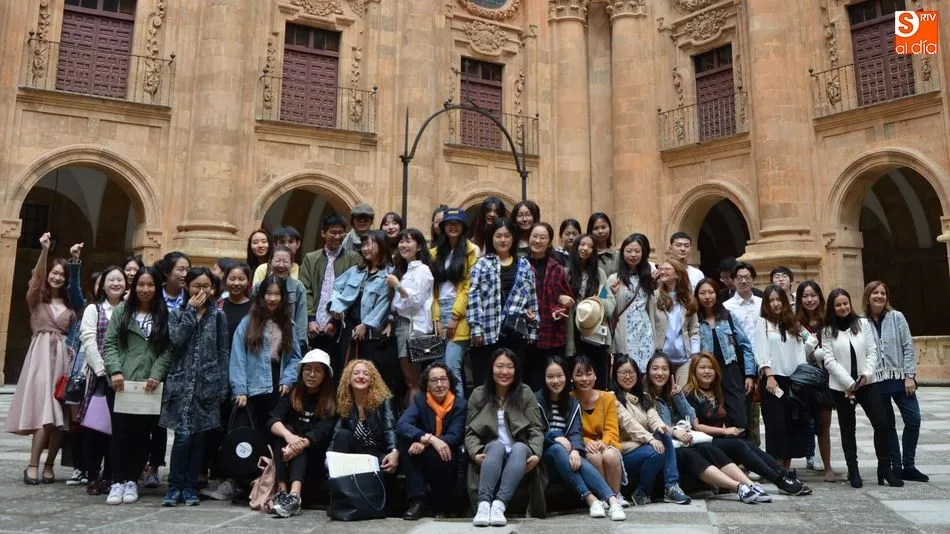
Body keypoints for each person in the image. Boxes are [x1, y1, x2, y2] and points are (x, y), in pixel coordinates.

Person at [6, 233, 79, 485]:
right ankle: (33, 464)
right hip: (40, 359)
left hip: (63, 359)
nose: (57, 276)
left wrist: (75, 262)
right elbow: (36, 280)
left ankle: (49, 465)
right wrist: (44, 252)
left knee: (61, 416)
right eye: (54, 272)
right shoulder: (37, 298)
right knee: (45, 413)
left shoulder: (71, 304)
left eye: (62, 274)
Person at [683, 354, 810, 496]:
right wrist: (725, 431)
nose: (707, 371)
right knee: (738, 445)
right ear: (694, 370)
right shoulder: (689, 394)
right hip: (703, 443)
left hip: (720, 440)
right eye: (702, 367)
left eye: (711, 368)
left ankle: (784, 475)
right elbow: (696, 426)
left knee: (747, 444)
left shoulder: (718, 391)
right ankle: (779, 480)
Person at [643, 353, 762, 504]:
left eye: (664, 369)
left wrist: (679, 397)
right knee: (689, 454)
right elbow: (652, 424)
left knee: (708, 448)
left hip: (681, 442)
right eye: (655, 369)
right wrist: (673, 431)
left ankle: (750, 485)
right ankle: (739, 487)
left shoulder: (672, 394)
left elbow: (692, 419)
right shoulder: (644, 396)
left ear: (670, 372)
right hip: (663, 448)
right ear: (648, 372)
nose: (660, 373)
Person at [102, 267, 173, 505]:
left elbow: (167, 349)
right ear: (135, 287)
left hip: (148, 386)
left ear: (157, 287)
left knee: (142, 435)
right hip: (121, 384)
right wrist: (115, 370)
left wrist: (157, 373)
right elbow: (109, 343)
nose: (145, 289)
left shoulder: (164, 315)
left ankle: (132, 480)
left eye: (150, 285)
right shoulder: (122, 311)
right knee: (120, 434)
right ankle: (117, 481)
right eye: (141, 285)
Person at [161, 267, 230, 507]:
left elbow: (223, 350)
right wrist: (190, 310)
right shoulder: (176, 314)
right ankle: (174, 486)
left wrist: (222, 385)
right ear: (186, 286)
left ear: (213, 289)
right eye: (196, 286)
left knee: (200, 438)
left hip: (207, 384)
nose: (201, 291)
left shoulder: (218, 316)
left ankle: (190, 486)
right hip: (181, 383)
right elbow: (177, 340)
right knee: (181, 437)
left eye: (206, 287)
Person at [821, 288, 902, 488]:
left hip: (867, 383)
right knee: (848, 429)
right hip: (842, 387)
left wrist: (865, 375)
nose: (843, 307)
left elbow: (872, 351)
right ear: (833, 308)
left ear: (850, 303)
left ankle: (885, 469)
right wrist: (849, 383)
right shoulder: (827, 330)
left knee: (882, 424)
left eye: (845, 303)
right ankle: (853, 471)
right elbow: (829, 361)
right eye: (838, 305)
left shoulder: (863, 323)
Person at [536, 356, 625, 520]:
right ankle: (591, 499)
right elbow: (535, 433)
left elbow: (576, 432)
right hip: (546, 456)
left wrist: (576, 450)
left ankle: (612, 502)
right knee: (557, 448)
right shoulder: (537, 401)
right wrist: (555, 437)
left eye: (559, 376)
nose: (555, 381)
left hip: (569, 455)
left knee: (581, 459)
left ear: (566, 377)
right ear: (544, 378)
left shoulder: (572, 402)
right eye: (550, 376)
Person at [465, 348, 542, 527]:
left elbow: (536, 430)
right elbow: (469, 432)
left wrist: (536, 454)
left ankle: (499, 505)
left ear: (516, 370)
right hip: (491, 451)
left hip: (519, 451)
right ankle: (484, 505)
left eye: (509, 367)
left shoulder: (525, 393)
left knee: (519, 448)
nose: (504, 372)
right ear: (492, 368)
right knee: (496, 446)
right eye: (500, 366)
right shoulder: (478, 394)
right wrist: (475, 453)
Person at [864, 280, 928, 483]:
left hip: (901, 379)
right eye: (875, 293)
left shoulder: (896, 317)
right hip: (877, 381)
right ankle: (896, 466)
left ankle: (909, 464)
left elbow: (908, 346)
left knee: (913, 420)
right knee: (888, 425)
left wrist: (910, 376)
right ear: (868, 296)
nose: (880, 296)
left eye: (883, 293)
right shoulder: (861, 322)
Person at [202, 262, 254, 501]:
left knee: (238, 426)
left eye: (241, 279)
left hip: (244, 375)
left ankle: (236, 479)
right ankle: (219, 476)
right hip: (219, 374)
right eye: (232, 279)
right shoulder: (218, 306)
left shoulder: (254, 309)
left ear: (248, 281)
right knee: (218, 425)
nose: (236, 283)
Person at [467, 218, 539, 387]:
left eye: (507, 235)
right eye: (498, 236)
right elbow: (474, 297)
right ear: (491, 238)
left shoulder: (524, 264)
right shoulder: (482, 264)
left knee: (514, 382)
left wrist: (534, 327)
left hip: (515, 333)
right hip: (488, 332)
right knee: (486, 381)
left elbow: (532, 299)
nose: (503, 240)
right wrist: (476, 328)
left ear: (513, 237)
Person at [611, 356, 690, 506]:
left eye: (632, 372)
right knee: (657, 451)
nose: (628, 376)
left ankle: (671, 486)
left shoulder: (644, 397)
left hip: (643, 446)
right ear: (615, 375)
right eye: (623, 373)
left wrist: (661, 427)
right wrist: (650, 439)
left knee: (663, 434)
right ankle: (643, 491)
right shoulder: (613, 399)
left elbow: (653, 417)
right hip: (625, 451)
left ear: (638, 374)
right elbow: (630, 424)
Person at [330, 231, 400, 399]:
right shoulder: (356, 270)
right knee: (347, 372)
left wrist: (366, 324)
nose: (365, 248)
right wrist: (336, 307)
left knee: (369, 374)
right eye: (364, 245)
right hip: (349, 327)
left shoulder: (390, 273)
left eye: (370, 244)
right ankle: (346, 412)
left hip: (372, 333)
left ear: (381, 246)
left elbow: (386, 303)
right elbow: (336, 287)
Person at [754, 285, 818, 468]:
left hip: (794, 380)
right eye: (771, 300)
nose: (775, 304)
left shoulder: (793, 323)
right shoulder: (763, 323)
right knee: (776, 426)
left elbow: (806, 345)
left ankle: (787, 469)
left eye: (778, 299)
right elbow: (762, 351)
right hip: (773, 379)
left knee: (792, 424)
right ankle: (776, 469)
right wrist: (769, 375)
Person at [268, 349, 337, 518]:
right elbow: (272, 420)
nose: (311, 374)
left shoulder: (330, 399)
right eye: (308, 369)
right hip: (286, 455)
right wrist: (288, 436)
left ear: (325, 375)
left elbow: (323, 431)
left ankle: (295, 496)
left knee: (302, 442)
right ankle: (282, 492)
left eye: (317, 370)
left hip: (313, 459)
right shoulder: (293, 393)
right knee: (286, 431)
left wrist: (299, 444)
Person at [230, 275, 301, 435]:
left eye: (277, 294)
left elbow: (295, 357)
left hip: (278, 384)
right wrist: (240, 389)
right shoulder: (248, 322)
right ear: (261, 295)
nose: (272, 298)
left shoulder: (288, 324)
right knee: (249, 434)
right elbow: (238, 358)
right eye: (269, 293)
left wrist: (288, 379)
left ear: (283, 297)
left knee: (272, 430)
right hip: (252, 383)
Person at [397, 361, 467, 520]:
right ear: (427, 385)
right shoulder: (421, 401)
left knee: (440, 451)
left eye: (443, 379)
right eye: (434, 380)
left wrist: (426, 443)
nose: (440, 384)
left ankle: (440, 505)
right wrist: (428, 438)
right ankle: (418, 500)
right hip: (424, 455)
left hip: (447, 456)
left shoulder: (460, 405)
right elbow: (402, 424)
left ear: (450, 382)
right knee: (406, 440)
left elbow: (455, 435)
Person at [78, 266, 126, 495]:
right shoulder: (93, 309)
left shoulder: (129, 310)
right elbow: (88, 340)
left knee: (116, 429)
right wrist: (100, 370)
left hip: (123, 379)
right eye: (111, 280)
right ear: (103, 285)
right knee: (94, 428)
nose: (116, 284)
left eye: (120, 280)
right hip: (98, 378)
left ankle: (109, 474)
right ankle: (91, 474)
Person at [300, 214, 362, 377]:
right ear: (323, 233)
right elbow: (306, 289)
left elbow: (352, 291)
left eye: (341, 233)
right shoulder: (310, 258)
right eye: (333, 232)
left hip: (339, 324)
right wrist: (311, 320)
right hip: (314, 325)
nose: (337, 236)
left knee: (337, 370)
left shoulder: (352, 257)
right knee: (313, 370)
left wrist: (335, 320)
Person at [430, 208, 479, 396]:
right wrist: (436, 318)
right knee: (439, 368)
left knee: (451, 367)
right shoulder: (434, 253)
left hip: (459, 313)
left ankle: (458, 416)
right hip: (437, 311)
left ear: (463, 226)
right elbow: (432, 288)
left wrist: (455, 315)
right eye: (448, 223)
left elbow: (469, 286)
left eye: (456, 223)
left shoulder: (471, 251)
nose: (452, 226)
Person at [694, 278, 755, 430]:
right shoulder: (694, 320)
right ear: (697, 296)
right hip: (706, 375)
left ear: (716, 294)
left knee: (739, 416)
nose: (707, 297)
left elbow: (745, 345)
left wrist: (749, 374)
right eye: (702, 293)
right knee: (714, 418)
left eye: (711, 292)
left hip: (730, 371)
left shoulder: (728, 316)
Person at [570, 356, 626, 509]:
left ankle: (616, 496)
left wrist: (603, 442)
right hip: (584, 445)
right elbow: (572, 430)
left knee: (610, 456)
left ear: (595, 375)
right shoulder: (570, 399)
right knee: (594, 457)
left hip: (606, 442)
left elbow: (612, 429)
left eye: (588, 374)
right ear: (572, 378)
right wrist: (588, 443)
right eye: (579, 374)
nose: (584, 379)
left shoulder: (607, 397)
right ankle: (603, 496)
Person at [795, 280, 837, 482]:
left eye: (813, 295)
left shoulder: (829, 321)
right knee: (799, 420)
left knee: (824, 423)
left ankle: (828, 466)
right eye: (805, 296)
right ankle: (793, 462)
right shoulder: (794, 322)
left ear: (820, 297)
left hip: (824, 379)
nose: (810, 300)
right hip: (801, 379)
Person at [387, 228, 434, 402]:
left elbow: (415, 300)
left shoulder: (423, 270)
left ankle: (414, 420)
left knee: (413, 380)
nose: (403, 245)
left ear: (419, 246)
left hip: (413, 327)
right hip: (403, 324)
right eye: (401, 241)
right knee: (409, 380)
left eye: (408, 241)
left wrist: (397, 286)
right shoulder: (404, 269)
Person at [562, 234, 615, 388]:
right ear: (576, 246)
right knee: (576, 378)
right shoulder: (566, 273)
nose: (585, 248)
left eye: (590, 246)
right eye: (582, 244)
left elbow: (608, 300)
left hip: (596, 335)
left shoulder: (599, 275)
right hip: (573, 334)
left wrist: (596, 303)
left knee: (598, 380)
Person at [330, 359, 399, 474]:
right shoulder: (345, 403)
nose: (361, 376)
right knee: (342, 435)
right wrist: (329, 457)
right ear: (348, 379)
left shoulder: (383, 400)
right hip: (356, 455)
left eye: (366, 374)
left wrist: (394, 451)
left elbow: (390, 428)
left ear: (372, 380)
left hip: (378, 454)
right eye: (356, 373)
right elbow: (336, 433)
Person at [524, 222, 571, 390]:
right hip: (528, 335)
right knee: (531, 382)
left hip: (552, 335)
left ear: (549, 242)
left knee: (554, 382)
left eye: (542, 237)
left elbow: (566, 298)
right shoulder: (522, 265)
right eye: (534, 236)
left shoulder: (557, 268)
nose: (537, 240)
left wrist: (560, 309)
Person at [723, 261, 763, 447]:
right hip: (738, 364)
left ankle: (757, 451)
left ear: (753, 280)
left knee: (757, 411)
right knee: (742, 408)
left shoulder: (763, 304)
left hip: (763, 361)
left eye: (747, 277)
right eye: (739, 278)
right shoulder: (726, 307)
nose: (744, 281)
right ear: (733, 281)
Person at [609, 233, 657, 373]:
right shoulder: (613, 278)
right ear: (622, 253)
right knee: (626, 370)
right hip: (624, 331)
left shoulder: (649, 277)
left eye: (637, 251)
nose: (633, 255)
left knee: (645, 371)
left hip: (645, 330)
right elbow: (602, 299)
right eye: (629, 251)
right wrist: (611, 292)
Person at [653, 258, 700, 386]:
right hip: (661, 356)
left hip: (684, 358)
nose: (663, 272)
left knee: (682, 394)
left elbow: (694, 329)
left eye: (667, 269)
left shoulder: (688, 299)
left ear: (677, 274)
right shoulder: (654, 297)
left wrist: (695, 353)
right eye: (661, 269)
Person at [256, 246, 308, 357]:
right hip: (261, 340)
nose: (281, 265)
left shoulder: (298, 287)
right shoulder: (259, 286)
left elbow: (301, 319)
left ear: (292, 264)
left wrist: (299, 345)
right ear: (270, 263)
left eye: (285, 261)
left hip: (287, 342)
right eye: (277, 261)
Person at [587, 212, 618, 278]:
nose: (600, 231)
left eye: (603, 227)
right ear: (590, 231)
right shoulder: (586, 254)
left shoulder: (618, 255)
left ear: (609, 228)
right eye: (595, 228)